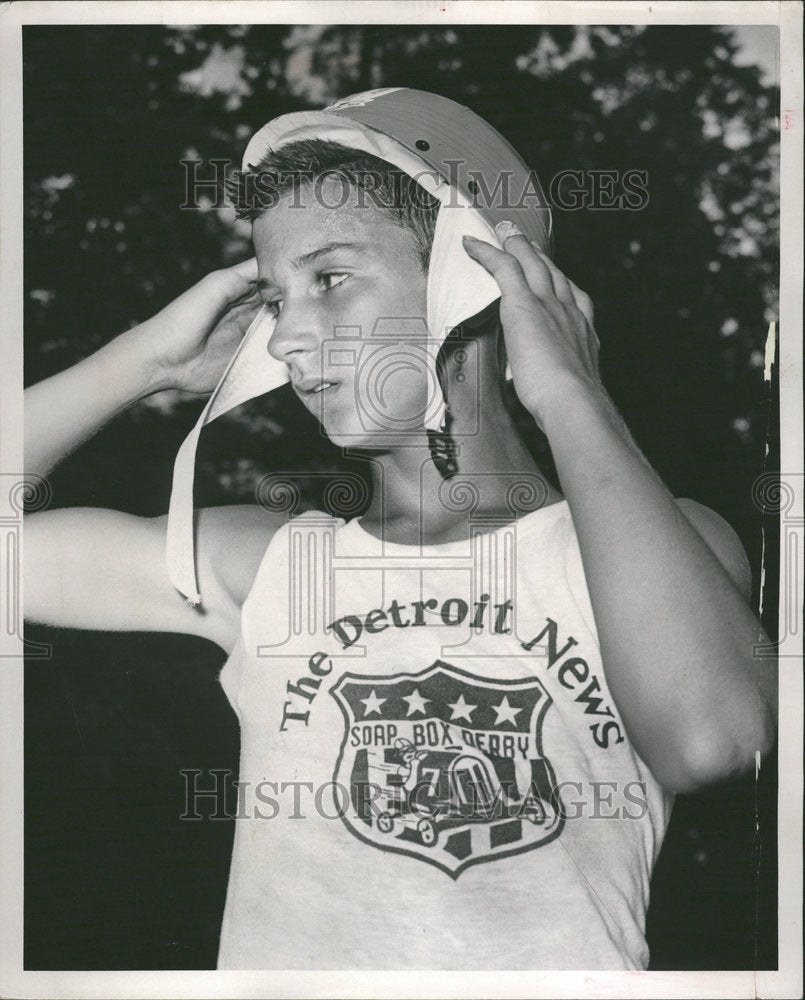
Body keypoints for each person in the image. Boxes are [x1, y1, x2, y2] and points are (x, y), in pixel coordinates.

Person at [24, 88, 777, 970]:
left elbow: (714, 740)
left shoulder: (654, 548)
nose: (290, 338)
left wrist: (569, 389)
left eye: (331, 279)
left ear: (472, 280)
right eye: (275, 298)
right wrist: (143, 360)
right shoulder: (269, 563)